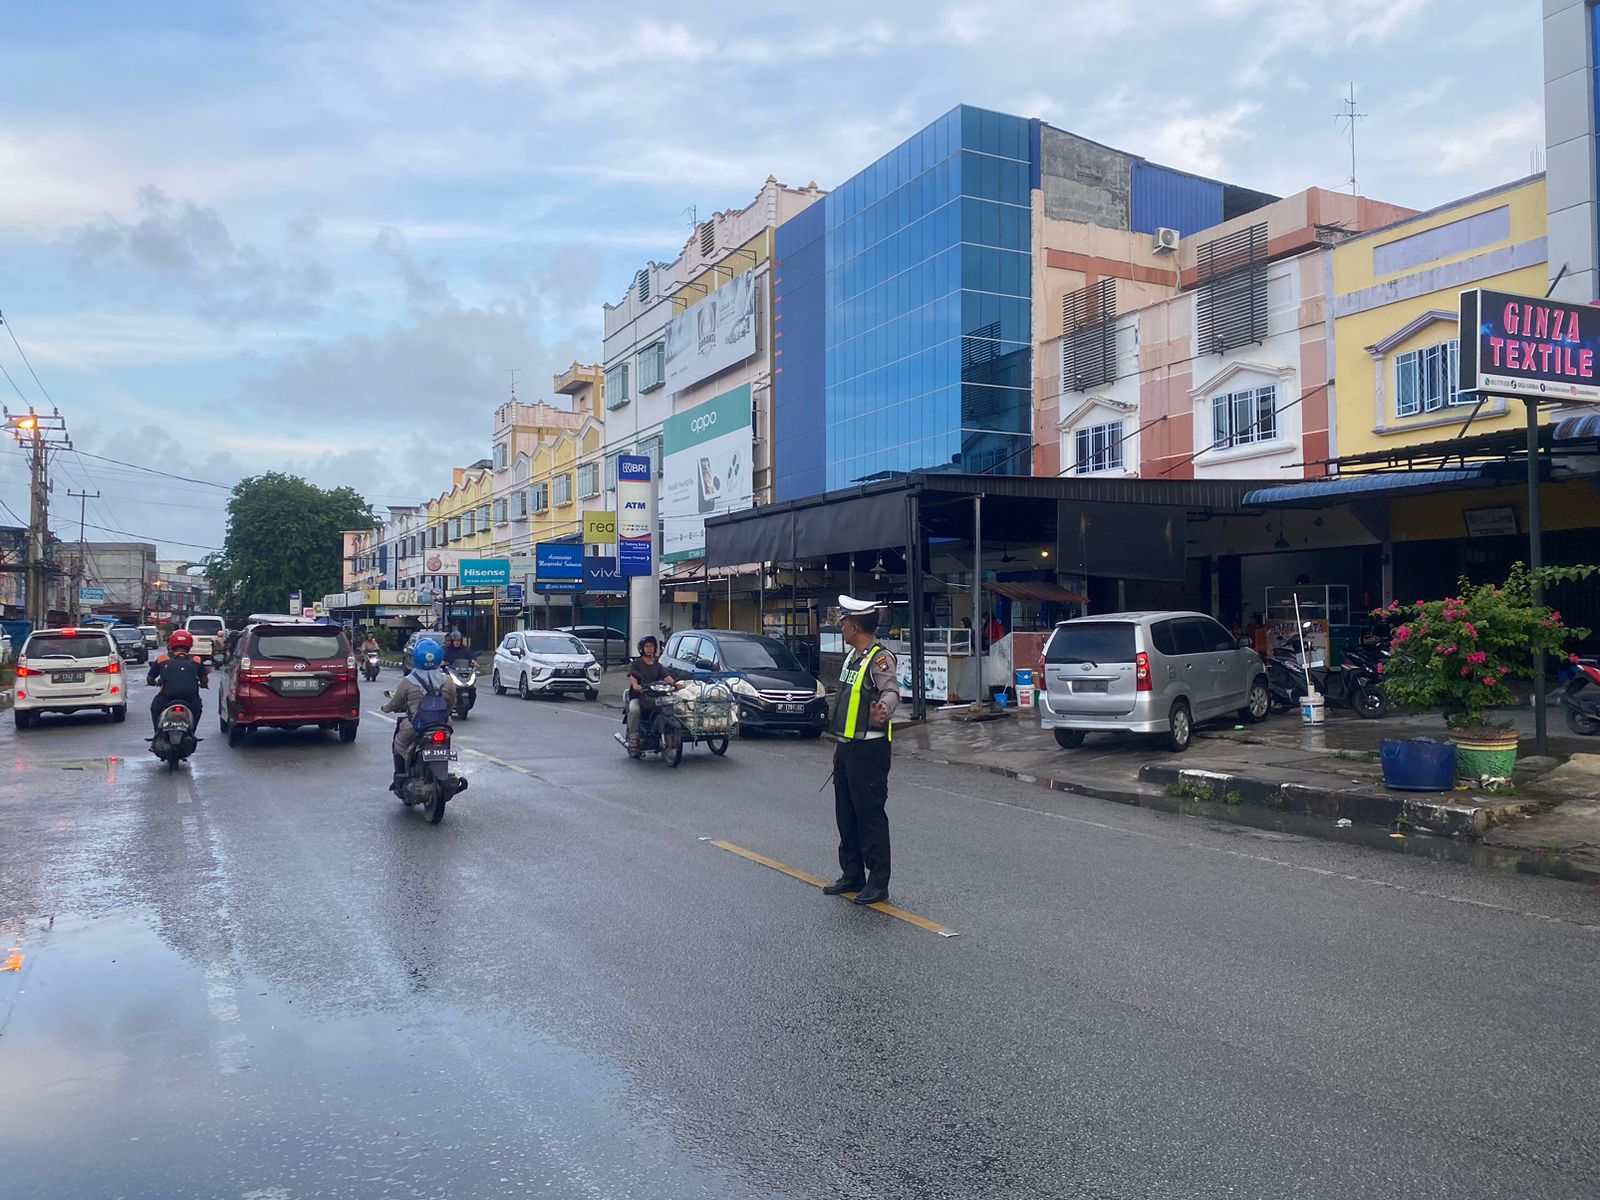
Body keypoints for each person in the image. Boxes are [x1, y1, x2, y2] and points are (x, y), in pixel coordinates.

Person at [823, 595, 900, 908]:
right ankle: (851, 874)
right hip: (846, 748)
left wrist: (884, 709)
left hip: (869, 750)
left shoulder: (879, 658)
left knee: (870, 817)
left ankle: (878, 882)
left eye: (843, 622)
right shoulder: (852, 658)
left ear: (853, 626)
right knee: (846, 814)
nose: (841, 626)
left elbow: (891, 690)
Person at [381, 638, 461, 795]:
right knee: (445, 742)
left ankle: (402, 775)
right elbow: (452, 703)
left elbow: (396, 703)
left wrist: (385, 708)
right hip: (443, 725)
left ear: (415, 657)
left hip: (415, 726)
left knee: (399, 742)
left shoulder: (409, 681)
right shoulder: (447, 681)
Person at [146, 630, 208, 734]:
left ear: (171, 643)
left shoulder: (162, 659)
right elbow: (204, 680)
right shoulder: (197, 660)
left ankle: (157, 733)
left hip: (166, 699)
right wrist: (203, 684)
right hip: (190, 700)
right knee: (197, 710)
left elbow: (150, 678)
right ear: (190, 644)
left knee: (155, 708)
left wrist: (154, 683)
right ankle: (191, 732)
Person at [626, 636, 676, 751]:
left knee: (669, 708)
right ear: (642, 649)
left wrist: (675, 684)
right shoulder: (636, 663)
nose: (649, 649)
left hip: (655, 695)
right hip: (639, 695)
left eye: (651, 646)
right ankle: (633, 737)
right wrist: (636, 686)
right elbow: (633, 676)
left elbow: (666, 677)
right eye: (647, 646)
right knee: (634, 710)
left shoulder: (657, 665)